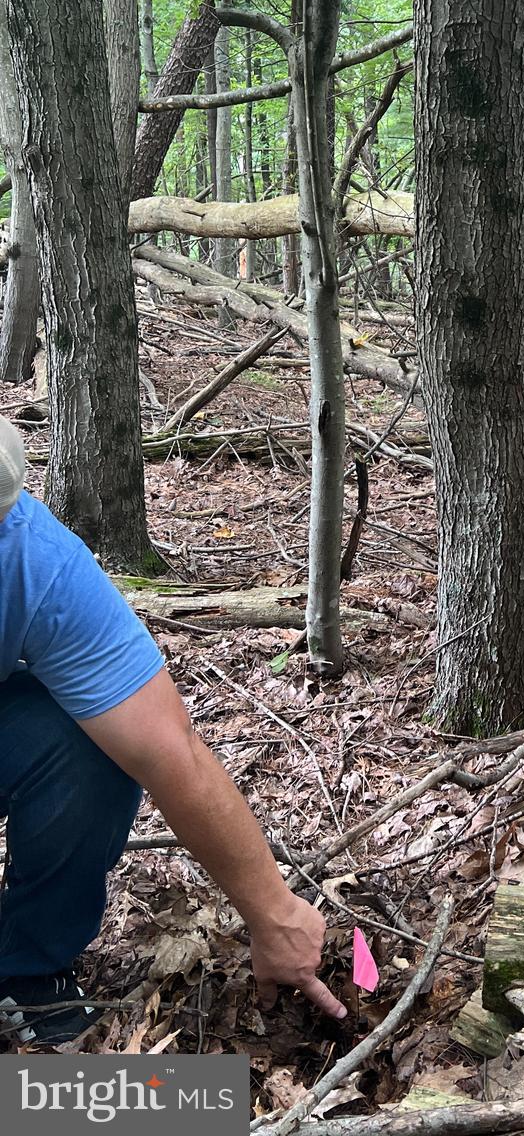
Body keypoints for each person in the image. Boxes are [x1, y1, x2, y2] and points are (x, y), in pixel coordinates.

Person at [0, 416, 347, 1046]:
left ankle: (27, 968)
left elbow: (169, 750)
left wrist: (274, 911)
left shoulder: (34, 562)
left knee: (87, 742)